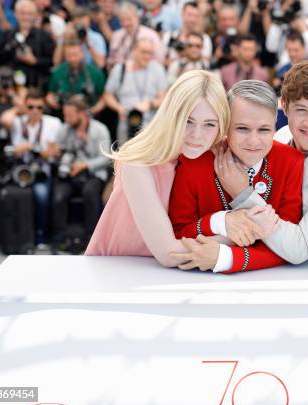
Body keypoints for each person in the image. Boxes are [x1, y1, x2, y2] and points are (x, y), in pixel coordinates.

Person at [216, 61, 308, 264]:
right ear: (284, 106)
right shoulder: (281, 135)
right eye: (301, 110)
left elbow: (300, 248)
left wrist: (244, 195)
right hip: (268, 264)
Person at [85, 70, 230, 267]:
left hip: (171, 277)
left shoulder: (208, 156)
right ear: (171, 115)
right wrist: (236, 237)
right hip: (117, 271)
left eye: (209, 124)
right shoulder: (138, 164)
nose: (197, 135)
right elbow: (169, 254)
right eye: (188, 121)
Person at [168, 80, 303, 272]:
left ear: (275, 126)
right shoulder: (194, 162)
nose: (253, 141)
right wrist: (221, 221)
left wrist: (227, 258)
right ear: (225, 126)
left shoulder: (291, 162)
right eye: (242, 128)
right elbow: (178, 233)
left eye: (264, 130)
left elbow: (287, 244)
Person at [0, 88, 61, 246]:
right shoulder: (18, 122)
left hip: (40, 171)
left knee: (42, 195)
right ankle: (5, 233)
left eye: (39, 107)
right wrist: (18, 108)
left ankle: (41, 235)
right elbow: (4, 119)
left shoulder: (53, 123)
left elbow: (54, 152)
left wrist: (33, 148)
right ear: (26, 107)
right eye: (31, 107)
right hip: (17, 171)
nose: (35, 111)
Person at [51, 95, 111, 249]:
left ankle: (91, 237)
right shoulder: (65, 130)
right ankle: (61, 238)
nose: (67, 119)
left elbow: (106, 158)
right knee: (58, 195)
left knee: (90, 193)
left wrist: (85, 165)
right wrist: (56, 154)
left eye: (70, 115)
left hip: (93, 174)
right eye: (65, 115)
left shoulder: (100, 130)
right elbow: (57, 154)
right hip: (70, 174)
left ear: (82, 113)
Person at [0, 0, 55, 90]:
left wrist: (34, 61)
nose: (26, 17)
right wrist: (10, 49)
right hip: (10, 86)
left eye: (29, 14)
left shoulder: (44, 36)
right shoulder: (8, 35)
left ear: (35, 15)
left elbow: (52, 62)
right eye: (22, 13)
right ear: (15, 14)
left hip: (35, 87)